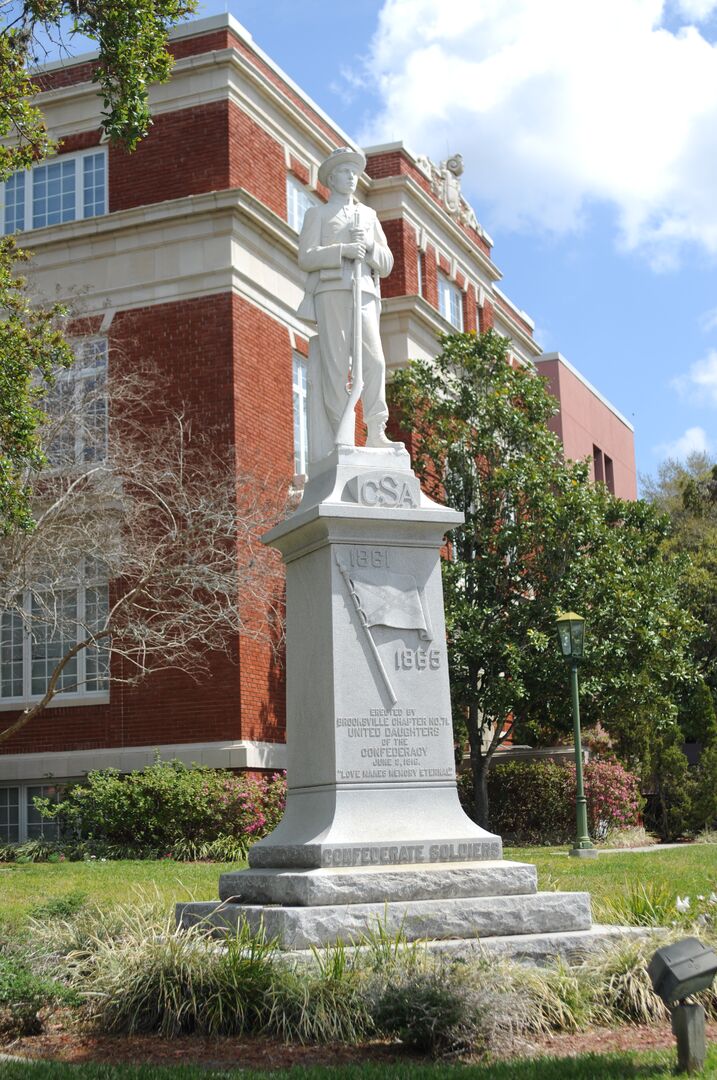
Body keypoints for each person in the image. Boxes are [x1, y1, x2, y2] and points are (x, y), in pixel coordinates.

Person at [297, 147, 395, 460]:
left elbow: (387, 261)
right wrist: (342, 250)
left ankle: (376, 429)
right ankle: (343, 433)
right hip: (331, 291)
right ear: (332, 179)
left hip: (364, 290)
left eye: (354, 172)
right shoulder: (319, 214)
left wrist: (366, 245)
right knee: (336, 365)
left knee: (375, 360)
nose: (351, 177)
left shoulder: (368, 216)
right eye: (344, 172)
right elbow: (306, 256)